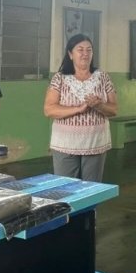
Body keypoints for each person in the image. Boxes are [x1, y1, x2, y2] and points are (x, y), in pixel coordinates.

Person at [44, 34, 117, 182]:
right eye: (80, 49)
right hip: (65, 144)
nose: (85, 54)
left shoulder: (103, 77)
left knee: (91, 188)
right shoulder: (59, 78)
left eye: (89, 50)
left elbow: (114, 109)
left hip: (95, 143)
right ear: (70, 54)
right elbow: (49, 109)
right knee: (66, 188)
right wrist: (78, 109)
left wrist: (99, 105)